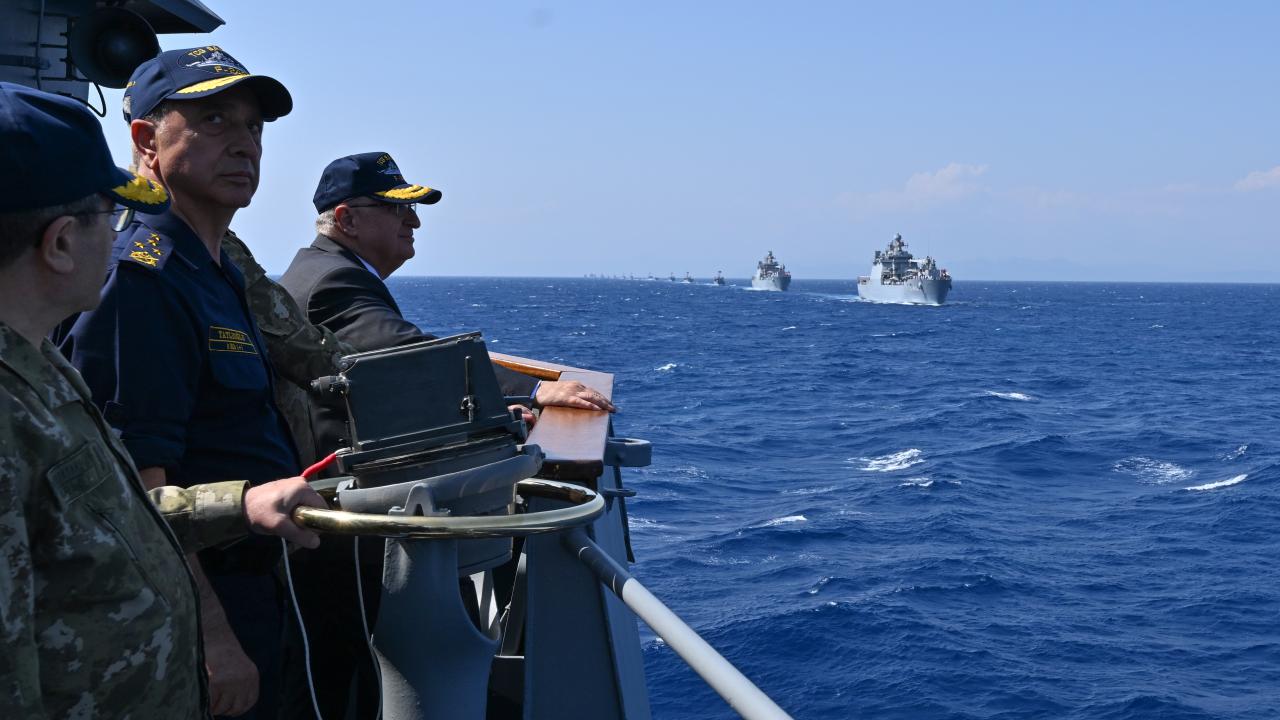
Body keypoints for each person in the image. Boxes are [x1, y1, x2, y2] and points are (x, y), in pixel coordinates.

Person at [0, 82, 325, 719]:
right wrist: (215, 636)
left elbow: (116, 512)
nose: (122, 230)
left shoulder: (42, 370)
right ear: (62, 242)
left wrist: (242, 502)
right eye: (109, 212)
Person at [274, 151, 616, 718]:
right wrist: (532, 393)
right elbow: (408, 355)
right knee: (345, 677)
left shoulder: (330, 270)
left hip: (341, 503)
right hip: (344, 519)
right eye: (397, 210)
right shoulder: (333, 281)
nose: (414, 224)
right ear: (346, 218)